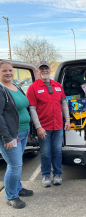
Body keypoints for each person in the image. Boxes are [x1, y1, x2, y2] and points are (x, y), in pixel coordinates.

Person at [27, 60, 70, 188]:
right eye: (42, 69)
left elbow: (63, 103)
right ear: (38, 71)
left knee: (57, 151)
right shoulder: (33, 88)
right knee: (45, 153)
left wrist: (67, 119)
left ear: (50, 70)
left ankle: (57, 174)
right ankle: (46, 175)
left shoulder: (57, 85)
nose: (44, 71)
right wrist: (38, 127)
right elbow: (32, 109)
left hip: (58, 126)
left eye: (46, 68)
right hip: (44, 127)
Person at [0, 60, 33, 209]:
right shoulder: (1, 90)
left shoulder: (16, 86)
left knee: (17, 163)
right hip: (11, 134)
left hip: (24, 131)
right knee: (14, 165)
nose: (8, 73)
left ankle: (18, 187)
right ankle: (11, 196)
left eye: (10, 70)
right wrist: (6, 137)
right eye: (4, 71)